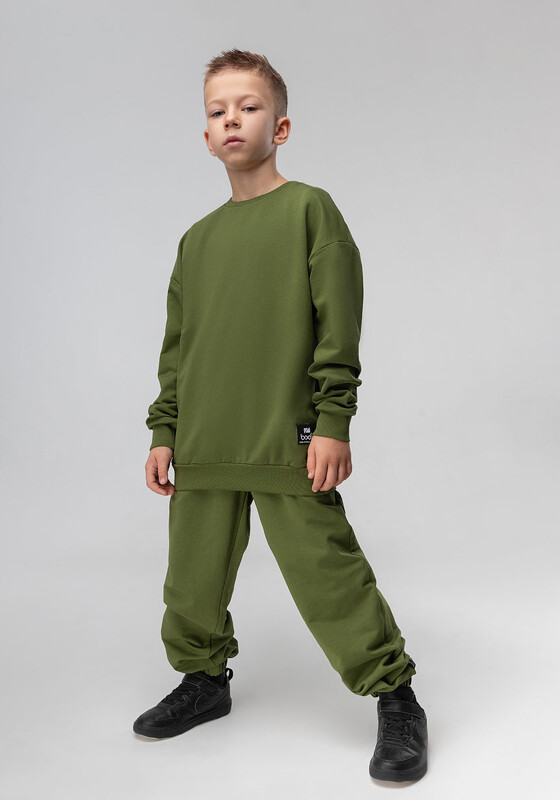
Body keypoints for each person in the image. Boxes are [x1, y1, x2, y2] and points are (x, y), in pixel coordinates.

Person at [133, 48, 428, 783]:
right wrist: (165, 430)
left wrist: (333, 421)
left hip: (285, 438)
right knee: (191, 580)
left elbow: (338, 326)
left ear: (281, 127)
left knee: (327, 572)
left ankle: (395, 695)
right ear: (207, 136)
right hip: (204, 441)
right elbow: (179, 347)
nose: (232, 119)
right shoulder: (197, 240)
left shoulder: (309, 211)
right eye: (218, 111)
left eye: (249, 106)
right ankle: (204, 680)